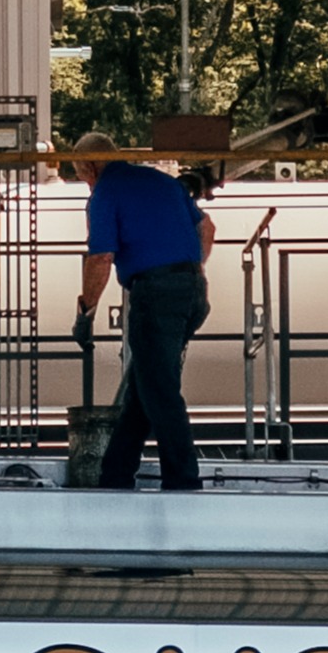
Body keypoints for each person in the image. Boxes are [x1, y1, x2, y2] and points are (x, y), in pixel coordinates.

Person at [76, 141, 215, 492]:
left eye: (80, 175)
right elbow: (207, 227)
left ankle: (184, 482)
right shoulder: (162, 181)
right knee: (144, 389)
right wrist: (191, 268)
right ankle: (115, 475)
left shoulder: (106, 193)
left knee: (160, 391)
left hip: (156, 296)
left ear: (90, 167)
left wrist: (86, 311)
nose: (85, 183)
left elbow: (101, 258)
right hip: (194, 290)